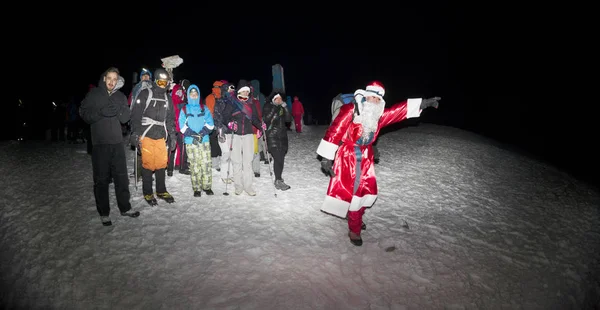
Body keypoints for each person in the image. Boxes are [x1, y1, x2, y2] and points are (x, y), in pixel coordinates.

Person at [316, 81, 440, 246]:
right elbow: (335, 131)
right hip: (348, 157)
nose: (374, 101)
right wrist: (326, 157)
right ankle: (354, 229)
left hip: (365, 159)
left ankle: (355, 218)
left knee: (364, 192)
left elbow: (398, 111)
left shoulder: (378, 116)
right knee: (351, 193)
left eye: (377, 99)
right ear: (365, 96)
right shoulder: (350, 110)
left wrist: (423, 103)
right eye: (372, 97)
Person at [79, 67, 140, 226]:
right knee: (101, 180)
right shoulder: (94, 94)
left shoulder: (120, 96)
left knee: (122, 178)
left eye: (115, 79)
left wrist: (120, 110)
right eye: (109, 78)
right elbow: (84, 114)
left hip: (117, 143)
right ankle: (104, 213)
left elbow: (125, 118)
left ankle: (125, 208)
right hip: (100, 144)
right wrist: (101, 112)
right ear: (104, 78)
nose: (112, 82)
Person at [130, 68, 177, 206]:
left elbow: (170, 118)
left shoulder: (167, 98)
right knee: (148, 163)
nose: (162, 85)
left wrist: (172, 134)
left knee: (162, 163)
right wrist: (135, 133)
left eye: (165, 83)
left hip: (161, 134)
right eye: (160, 82)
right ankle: (148, 192)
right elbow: (136, 115)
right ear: (155, 81)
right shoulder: (145, 94)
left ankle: (161, 190)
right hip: (147, 133)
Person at [220, 80, 266, 196]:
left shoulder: (251, 103)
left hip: (248, 135)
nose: (246, 93)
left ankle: (248, 186)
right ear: (239, 91)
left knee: (248, 162)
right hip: (235, 135)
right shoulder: (232, 102)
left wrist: (260, 126)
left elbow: (254, 118)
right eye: (244, 91)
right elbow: (225, 116)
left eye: (247, 91)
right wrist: (230, 123)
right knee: (236, 161)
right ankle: (238, 186)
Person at [179, 84, 215, 196]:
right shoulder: (185, 109)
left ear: (198, 95)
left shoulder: (204, 108)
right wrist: (193, 134)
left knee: (206, 164)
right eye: (192, 94)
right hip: (191, 141)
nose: (194, 96)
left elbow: (210, 124)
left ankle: (207, 187)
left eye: (196, 94)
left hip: (204, 140)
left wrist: (202, 133)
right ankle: (197, 188)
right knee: (194, 165)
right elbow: (182, 126)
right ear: (189, 95)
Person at [263, 90, 292, 190]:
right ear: (273, 99)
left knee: (281, 159)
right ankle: (278, 180)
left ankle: (278, 179)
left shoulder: (282, 108)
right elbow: (266, 119)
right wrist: (274, 108)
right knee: (278, 158)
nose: (279, 100)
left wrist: (285, 107)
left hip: (282, 136)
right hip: (272, 136)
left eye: (280, 98)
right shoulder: (268, 106)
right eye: (277, 98)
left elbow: (288, 119)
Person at [168, 79, 191, 176]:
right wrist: (182, 105)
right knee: (178, 146)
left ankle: (174, 166)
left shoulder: (183, 93)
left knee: (176, 146)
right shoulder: (179, 89)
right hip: (177, 123)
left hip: (176, 123)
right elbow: (175, 102)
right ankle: (179, 167)